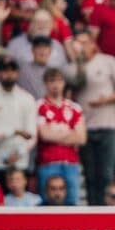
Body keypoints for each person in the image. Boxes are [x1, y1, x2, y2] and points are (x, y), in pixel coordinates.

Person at [65, 29, 115, 206]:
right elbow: (77, 83)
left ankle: (107, 212)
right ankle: (93, 211)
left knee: (106, 174)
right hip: (85, 128)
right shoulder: (72, 67)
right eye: (78, 43)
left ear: (93, 44)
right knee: (90, 175)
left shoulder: (108, 61)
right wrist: (77, 59)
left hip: (108, 125)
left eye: (85, 42)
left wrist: (108, 100)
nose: (82, 47)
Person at [0, 58, 37, 183]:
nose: (9, 74)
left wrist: (19, 153)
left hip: (19, 164)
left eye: (12, 70)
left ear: (18, 73)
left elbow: (32, 136)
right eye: (5, 70)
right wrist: (14, 132)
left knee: (18, 202)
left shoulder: (27, 99)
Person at [35, 68, 87, 206]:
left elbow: (81, 138)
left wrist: (54, 133)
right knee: (47, 203)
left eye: (59, 80)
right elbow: (44, 135)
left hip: (71, 162)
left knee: (71, 202)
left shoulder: (75, 107)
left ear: (64, 83)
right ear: (45, 83)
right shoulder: (39, 106)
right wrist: (68, 132)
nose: (56, 85)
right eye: (52, 81)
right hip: (47, 162)